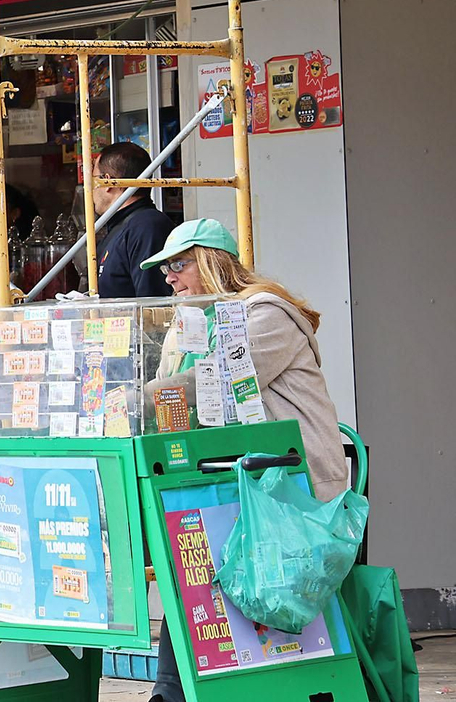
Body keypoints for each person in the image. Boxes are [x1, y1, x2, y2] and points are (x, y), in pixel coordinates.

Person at [139, 218, 346, 702]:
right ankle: (169, 691)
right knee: (188, 562)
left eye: (178, 264)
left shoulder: (264, 314)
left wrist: (131, 399)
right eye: (165, 268)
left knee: (198, 563)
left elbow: (213, 381)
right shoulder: (193, 320)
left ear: (213, 263)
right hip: (240, 477)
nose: (169, 277)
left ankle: (170, 693)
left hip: (293, 483)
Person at [90, 141, 176, 298]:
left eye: (94, 179)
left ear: (108, 181)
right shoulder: (118, 227)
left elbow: (152, 302)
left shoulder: (147, 226)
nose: (91, 188)